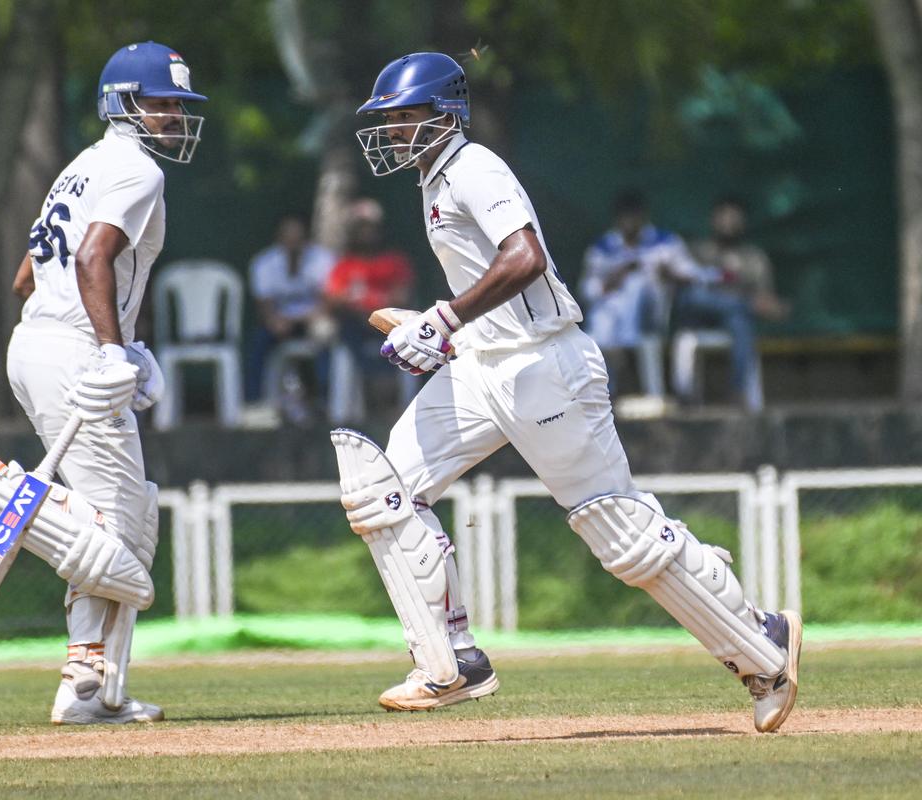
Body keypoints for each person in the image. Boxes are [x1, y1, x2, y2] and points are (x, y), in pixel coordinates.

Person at [339, 52, 801, 732]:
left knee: (621, 536)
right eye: (391, 119)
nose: (395, 131)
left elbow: (524, 259)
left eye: (407, 117)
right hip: (484, 364)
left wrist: (443, 319)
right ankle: (452, 663)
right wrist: (447, 330)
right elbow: (489, 285)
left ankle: (762, 641)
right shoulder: (434, 177)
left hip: (544, 367)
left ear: (446, 114)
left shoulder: (474, 166)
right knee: (381, 492)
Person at [0, 41, 206, 725]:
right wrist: (113, 352)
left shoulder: (80, 167)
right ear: (123, 103)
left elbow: (25, 277)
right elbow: (94, 257)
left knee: (128, 519)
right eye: (163, 103)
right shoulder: (135, 170)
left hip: (38, 343)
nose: (175, 115)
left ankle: (89, 686)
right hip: (74, 353)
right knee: (123, 558)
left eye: (180, 104)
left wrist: (120, 345)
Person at [580, 191, 707, 395]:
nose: (630, 222)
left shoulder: (665, 242)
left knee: (638, 283)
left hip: (655, 315)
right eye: (625, 216)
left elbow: (694, 276)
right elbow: (587, 291)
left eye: (634, 216)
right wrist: (613, 279)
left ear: (644, 216)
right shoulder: (604, 247)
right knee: (600, 329)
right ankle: (611, 386)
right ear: (617, 219)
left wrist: (669, 274)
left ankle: (627, 361)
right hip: (610, 318)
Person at [684, 196, 790, 410]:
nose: (728, 224)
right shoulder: (699, 251)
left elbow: (764, 300)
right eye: (723, 217)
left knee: (741, 323)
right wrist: (746, 301)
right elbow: (688, 288)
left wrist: (755, 303)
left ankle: (738, 392)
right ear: (713, 220)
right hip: (698, 315)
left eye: (734, 218)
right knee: (696, 297)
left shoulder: (754, 258)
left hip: (732, 320)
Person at [324, 198, 415, 402]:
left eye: (370, 228)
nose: (366, 233)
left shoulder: (394, 261)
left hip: (388, 324)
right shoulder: (345, 265)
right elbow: (332, 300)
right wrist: (355, 303)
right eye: (360, 228)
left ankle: (390, 395)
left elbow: (402, 297)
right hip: (354, 327)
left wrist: (369, 304)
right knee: (340, 335)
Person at [245, 213, 335, 409]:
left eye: (298, 238)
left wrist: (308, 317)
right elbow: (264, 305)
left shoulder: (322, 259)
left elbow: (327, 301)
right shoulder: (264, 263)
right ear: (279, 238)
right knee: (259, 341)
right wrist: (274, 321)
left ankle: (324, 400)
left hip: (313, 321)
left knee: (326, 335)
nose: (293, 244)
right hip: (280, 324)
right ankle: (255, 403)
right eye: (288, 238)